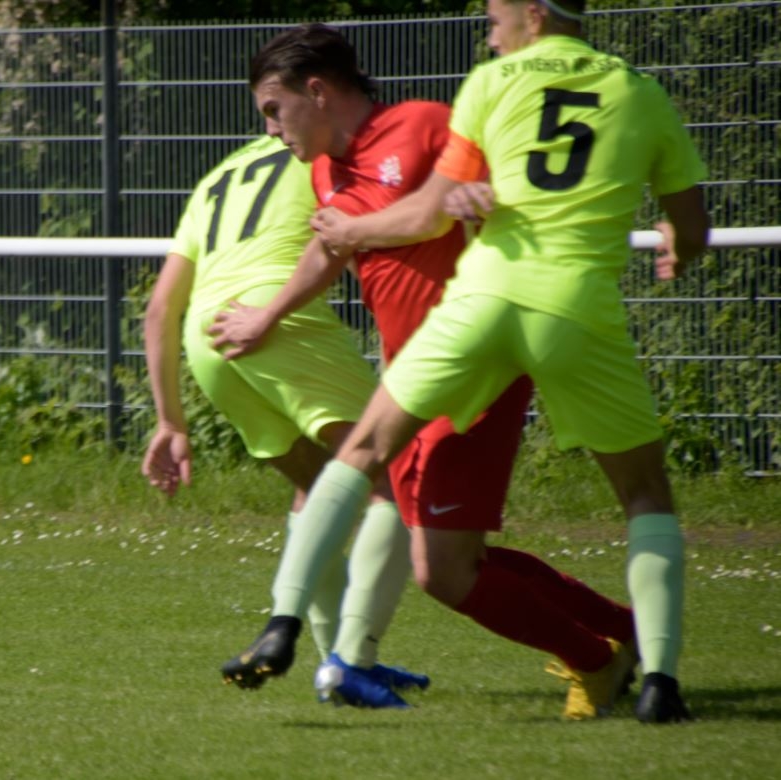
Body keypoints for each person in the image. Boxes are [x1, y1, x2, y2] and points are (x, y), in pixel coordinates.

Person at [210, 21, 640, 719]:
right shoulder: (325, 170)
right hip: (410, 381)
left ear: (316, 92)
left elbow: (473, 195)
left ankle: (597, 660)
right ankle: (623, 631)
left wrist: (480, 197)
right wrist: (269, 313)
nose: (270, 129)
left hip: (474, 366)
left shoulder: (423, 125)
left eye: (273, 109)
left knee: (441, 570)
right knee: (449, 555)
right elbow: (330, 247)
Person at [301, 0, 710, 724]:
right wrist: (677, 241)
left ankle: (294, 633)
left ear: (533, 14)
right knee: (643, 495)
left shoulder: (486, 85)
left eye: (494, 16)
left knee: (383, 483)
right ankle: (658, 677)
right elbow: (692, 225)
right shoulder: (640, 92)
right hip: (573, 309)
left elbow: (433, 208)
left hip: (478, 312)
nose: (488, 33)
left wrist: (361, 228)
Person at [141, 133, 428, 708]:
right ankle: (350, 660)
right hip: (273, 318)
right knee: (395, 472)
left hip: (206, 334)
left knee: (316, 486)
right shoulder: (323, 149)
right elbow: (360, 237)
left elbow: (159, 308)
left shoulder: (220, 174)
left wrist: (171, 421)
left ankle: (336, 665)